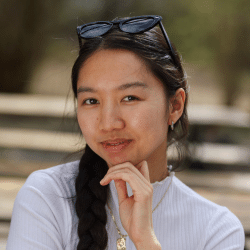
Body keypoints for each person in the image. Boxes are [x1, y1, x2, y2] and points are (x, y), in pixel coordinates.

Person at [7, 15, 245, 250]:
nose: (108, 123)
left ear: (175, 106)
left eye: (129, 98)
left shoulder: (216, 231)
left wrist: (146, 243)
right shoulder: (47, 197)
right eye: (91, 101)